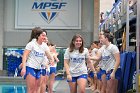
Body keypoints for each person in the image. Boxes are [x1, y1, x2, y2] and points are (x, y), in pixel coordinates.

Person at [20, 27, 53, 93]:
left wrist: (50, 60)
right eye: (43, 35)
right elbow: (25, 56)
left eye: (45, 36)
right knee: (31, 89)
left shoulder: (44, 46)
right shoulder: (31, 44)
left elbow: (50, 56)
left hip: (39, 68)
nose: (45, 37)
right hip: (30, 67)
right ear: (38, 36)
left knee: (36, 89)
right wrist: (24, 68)